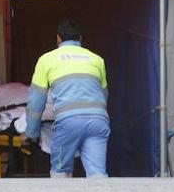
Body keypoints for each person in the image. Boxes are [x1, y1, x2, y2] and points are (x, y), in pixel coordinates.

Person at [22, 19, 109, 178]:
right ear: (80, 39)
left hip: (68, 123)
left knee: (60, 173)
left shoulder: (46, 60)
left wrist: (31, 133)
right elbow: (104, 95)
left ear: (58, 38)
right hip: (98, 121)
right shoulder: (97, 59)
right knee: (98, 175)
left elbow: (36, 101)